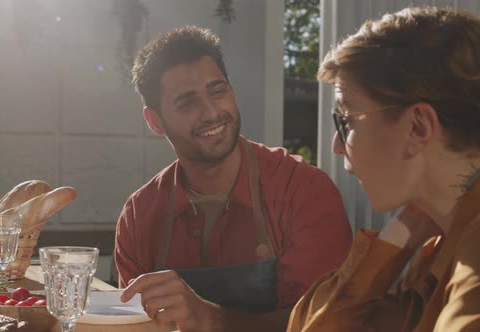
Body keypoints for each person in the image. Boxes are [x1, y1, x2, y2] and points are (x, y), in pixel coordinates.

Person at [115, 26, 352, 331]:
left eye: (218, 91)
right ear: (155, 121)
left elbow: (325, 323)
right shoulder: (139, 216)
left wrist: (210, 319)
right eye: (187, 103)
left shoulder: (304, 192)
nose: (212, 112)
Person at [287, 6, 480, 332]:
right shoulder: (437, 248)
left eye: (346, 121)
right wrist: (397, 237)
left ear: (417, 127)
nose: (337, 147)